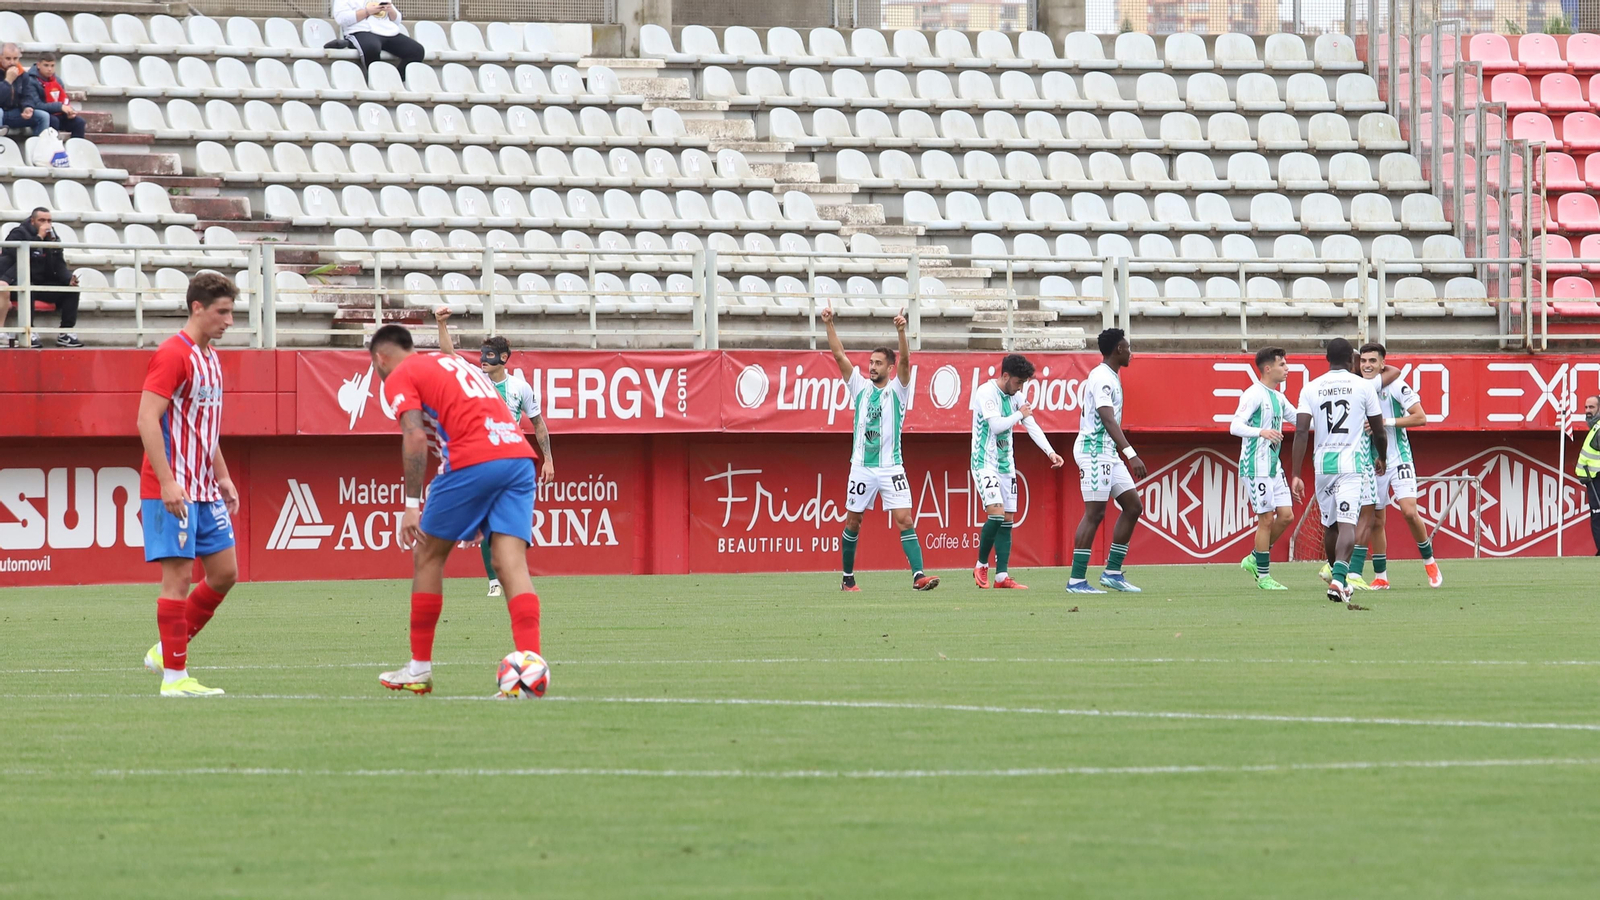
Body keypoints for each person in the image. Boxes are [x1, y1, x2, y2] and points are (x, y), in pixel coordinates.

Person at [369, 323, 542, 697]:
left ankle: (418, 668)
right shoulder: (457, 364)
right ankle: (530, 672)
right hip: (517, 456)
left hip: (472, 459)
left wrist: (411, 506)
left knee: (427, 555)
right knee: (510, 563)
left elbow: (415, 437)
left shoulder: (400, 374)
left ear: (381, 357)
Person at [135, 273, 241, 697]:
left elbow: (203, 428)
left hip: (205, 487)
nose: (230, 321)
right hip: (174, 489)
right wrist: (166, 482)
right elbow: (146, 419)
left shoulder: (210, 357)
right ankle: (174, 679)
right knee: (177, 580)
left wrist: (223, 474)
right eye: (223, 312)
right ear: (197, 307)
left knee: (225, 572)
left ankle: (166, 651)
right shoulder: (172, 354)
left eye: (232, 312)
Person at [433, 306, 554, 597]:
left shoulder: (520, 388)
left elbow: (538, 424)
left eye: (488, 354)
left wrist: (548, 459)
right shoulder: (475, 377)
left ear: (502, 358)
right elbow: (449, 356)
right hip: (481, 455)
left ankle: (501, 572)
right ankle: (494, 580)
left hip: (510, 458)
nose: (482, 360)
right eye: (482, 354)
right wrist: (441, 324)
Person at [820, 305, 938, 592]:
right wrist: (828, 324)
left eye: (877, 363)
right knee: (854, 521)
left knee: (905, 518)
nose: (871, 367)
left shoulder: (898, 390)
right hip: (861, 467)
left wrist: (901, 331)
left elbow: (907, 361)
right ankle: (848, 579)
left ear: (889, 367)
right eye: (870, 362)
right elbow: (838, 356)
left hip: (891, 467)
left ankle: (918, 575)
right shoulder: (859, 387)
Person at [1290, 338, 1386, 606]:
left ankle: (1339, 581)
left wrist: (1296, 473)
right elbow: (1378, 430)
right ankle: (1339, 579)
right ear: (1351, 360)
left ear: (1327, 359)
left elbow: (1300, 431)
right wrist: (1382, 456)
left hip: (1322, 465)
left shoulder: (1311, 387)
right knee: (1348, 523)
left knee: (1329, 525)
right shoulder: (1363, 386)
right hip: (1351, 463)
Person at [970, 353, 1064, 590]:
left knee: (1008, 519)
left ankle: (1002, 577)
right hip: (984, 463)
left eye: (1023, 383)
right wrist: (1019, 414)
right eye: (1018, 382)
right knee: (996, 515)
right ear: (1005, 376)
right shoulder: (986, 393)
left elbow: (1031, 425)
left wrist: (1050, 452)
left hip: (1006, 465)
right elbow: (996, 425)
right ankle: (981, 564)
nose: (1021, 387)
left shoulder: (1016, 395)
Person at [1356, 343, 1442, 589]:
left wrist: (1386, 422)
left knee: (1408, 511)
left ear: (1383, 363)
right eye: (1363, 361)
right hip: (1372, 461)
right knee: (1376, 520)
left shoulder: (1395, 386)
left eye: (1373, 361)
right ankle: (1381, 577)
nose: (1367, 365)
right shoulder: (1358, 388)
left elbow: (1420, 417)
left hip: (1398, 457)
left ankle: (1430, 562)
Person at [1067, 329, 1146, 594]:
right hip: (1093, 450)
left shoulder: (1110, 376)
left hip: (1108, 452)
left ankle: (1112, 572)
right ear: (1118, 350)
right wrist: (1131, 453)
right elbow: (1106, 417)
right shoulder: (1101, 377)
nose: (1131, 352)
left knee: (1133, 506)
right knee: (1095, 513)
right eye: (1128, 347)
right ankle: (1076, 580)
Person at [1232, 347, 1295, 591]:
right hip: (1255, 466)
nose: (1286, 368)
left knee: (1287, 515)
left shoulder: (1278, 397)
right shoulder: (1254, 394)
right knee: (1266, 518)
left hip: (1272, 466)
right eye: (1282, 364)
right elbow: (1234, 425)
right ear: (1268, 369)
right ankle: (1263, 576)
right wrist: (1261, 431)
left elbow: (1299, 417)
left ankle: (1253, 558)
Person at [0, 207, 82, 347]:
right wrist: (38, 238)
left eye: (49, 220)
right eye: (42, 220)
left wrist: (69, 279)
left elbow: (59, 264)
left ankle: (65, 332)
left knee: (71, 291)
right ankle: (29, 331)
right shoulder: (18, 233)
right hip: (16, 281)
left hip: (41, 281)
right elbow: (18, 257)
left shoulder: (52, 237)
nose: (46, 224)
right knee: (28, 288)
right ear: (32, 221)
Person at [332, 0, 426, 78]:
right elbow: (341, 19)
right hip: (360, 30)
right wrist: (366, 12)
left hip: (387, 31)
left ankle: (395, 80)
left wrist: (390, 10)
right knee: (371, 47)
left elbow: (397, 20)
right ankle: (376, 80)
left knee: (417, 51)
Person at [21, 53, 86, 141]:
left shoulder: (57, 80)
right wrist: (59, 107)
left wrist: (69, 111)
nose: (49, 69)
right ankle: (52, 150)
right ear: (38, 65)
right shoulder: (30, 80)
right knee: (53, 120)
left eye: (52, 66)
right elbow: (36, 105)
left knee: (79, 122)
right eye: (46, 65)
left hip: (58, 113)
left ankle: (76, 150)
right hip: (41, 115)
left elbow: (63, 99)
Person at [1, 43, 49, 138]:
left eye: (15, 59)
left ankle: (39, 149)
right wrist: (8, 81)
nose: (12, 62)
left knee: (43, 116)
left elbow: (27, 94)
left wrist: (27, 107)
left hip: (13, 113)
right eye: (8, 59)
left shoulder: (22, 74)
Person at [1575, 395, 1600, 556]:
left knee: (1598, 517)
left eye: (1592, 407)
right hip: (1592, 480)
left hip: (1597, 479)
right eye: (1586, 408)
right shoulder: (1595, 429)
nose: (1588, 411)